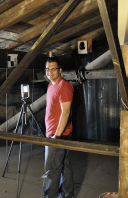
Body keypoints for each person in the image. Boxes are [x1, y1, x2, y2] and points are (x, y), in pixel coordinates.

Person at [42, 57, 74, 198]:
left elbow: (66, 112)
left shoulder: (64, 86)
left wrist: (57, 136)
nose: (50, 72)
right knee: (64, 168)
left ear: (60, 70)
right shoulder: (51, 85)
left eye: (53, 69)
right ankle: (68, 195)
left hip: (58, 135)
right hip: (57, 133)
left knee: (51, 170)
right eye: (48, 69)